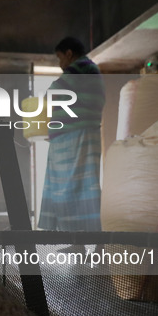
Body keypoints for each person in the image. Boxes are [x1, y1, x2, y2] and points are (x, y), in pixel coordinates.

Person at [38, 37, 105, 232]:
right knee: (74, 189)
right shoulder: (87, 70)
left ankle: (95, 246)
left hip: (78, 136)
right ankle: (78, 243)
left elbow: (53, 92)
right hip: (74, 135)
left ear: (69, 53)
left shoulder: (81, 67)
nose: (60, 65)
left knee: (78, 189)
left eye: (60, 58)